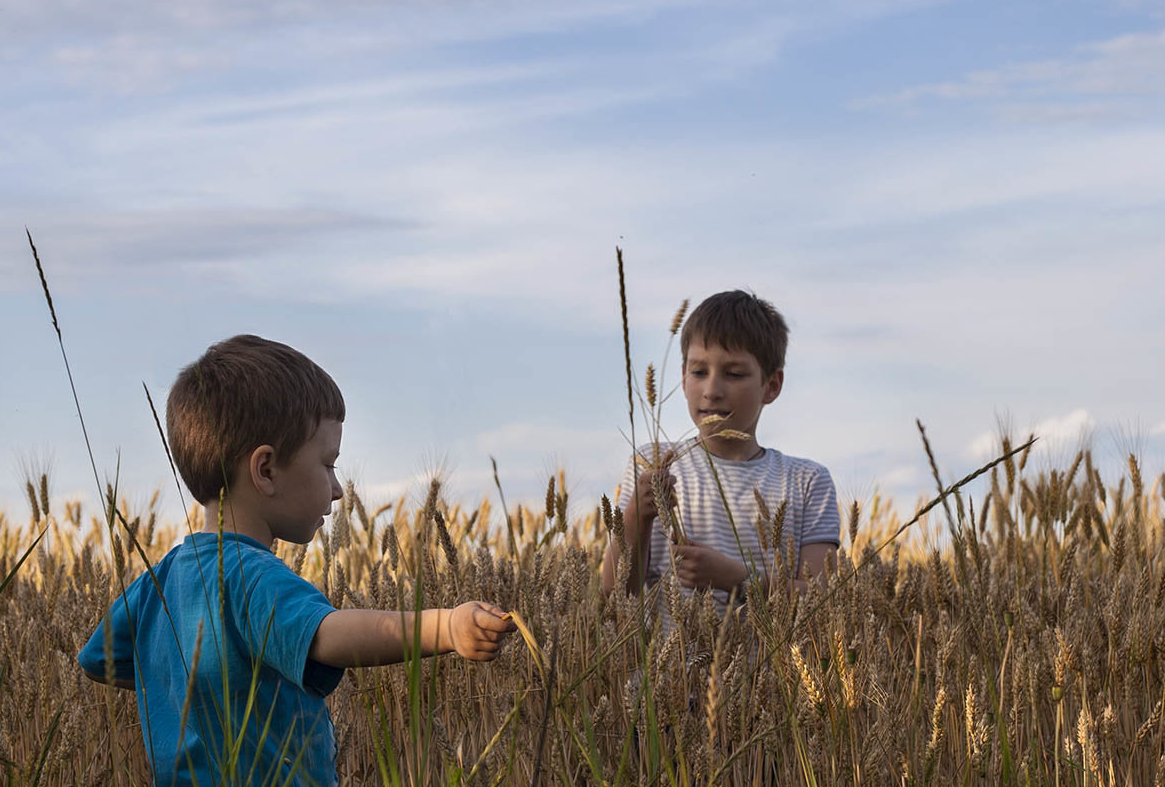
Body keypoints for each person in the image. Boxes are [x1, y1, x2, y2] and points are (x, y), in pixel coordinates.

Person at [78, 334, 514, 785]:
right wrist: (444, 627)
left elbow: (100, 660)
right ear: (265, 470)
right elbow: (328, 634)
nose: (340, 489)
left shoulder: (160, 579)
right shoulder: (254, 578)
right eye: (328, 465)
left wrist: (190, 694)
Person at [600, 290, 841, 618]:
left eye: (734, 374)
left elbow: (823, 601)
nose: (712, 390)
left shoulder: (806, 482)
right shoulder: (652, 463)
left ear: (771, 385)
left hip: (769, 669)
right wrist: (636, 516)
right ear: (683, 378)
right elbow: (615, 597)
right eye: (699, 372)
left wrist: (738, 579)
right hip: (669, 669)